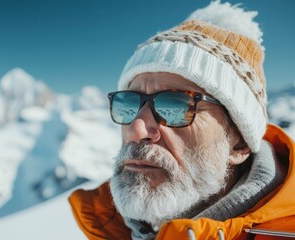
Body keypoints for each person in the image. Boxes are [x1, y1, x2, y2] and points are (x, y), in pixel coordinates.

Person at [69, 1, 295, 239]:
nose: (137, 128)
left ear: (239, 144)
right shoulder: (111, 227)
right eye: (130, 104)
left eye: (175, 106)